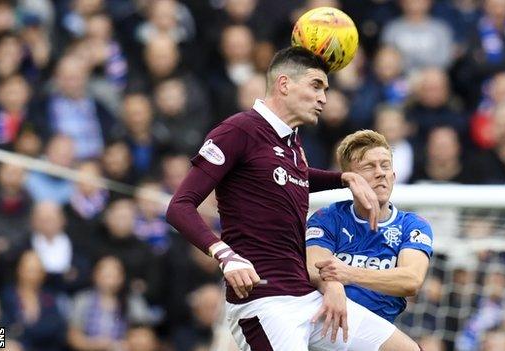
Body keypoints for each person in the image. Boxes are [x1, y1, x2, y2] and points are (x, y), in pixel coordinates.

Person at [166, 46, 421, 350]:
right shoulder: (238, 130)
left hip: (306, 296)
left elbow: (293, 177)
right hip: (264, 301)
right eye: (316, 86)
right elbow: (179, 207)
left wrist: (343, 178)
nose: (323, 98)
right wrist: (225, 255)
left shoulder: (292, 144)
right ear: (284, 84)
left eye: (325, 89)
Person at [305, 130, 433, 323]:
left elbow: (411, 280)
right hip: (329, 325)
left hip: (381, 329)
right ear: (350, 179)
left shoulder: (413, 225)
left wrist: (349, 273)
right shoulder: (327, 218)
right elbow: (315, 269)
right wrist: (334, 285)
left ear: (394, 176)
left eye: (385, 166)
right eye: (369, 167)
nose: (380, 173)